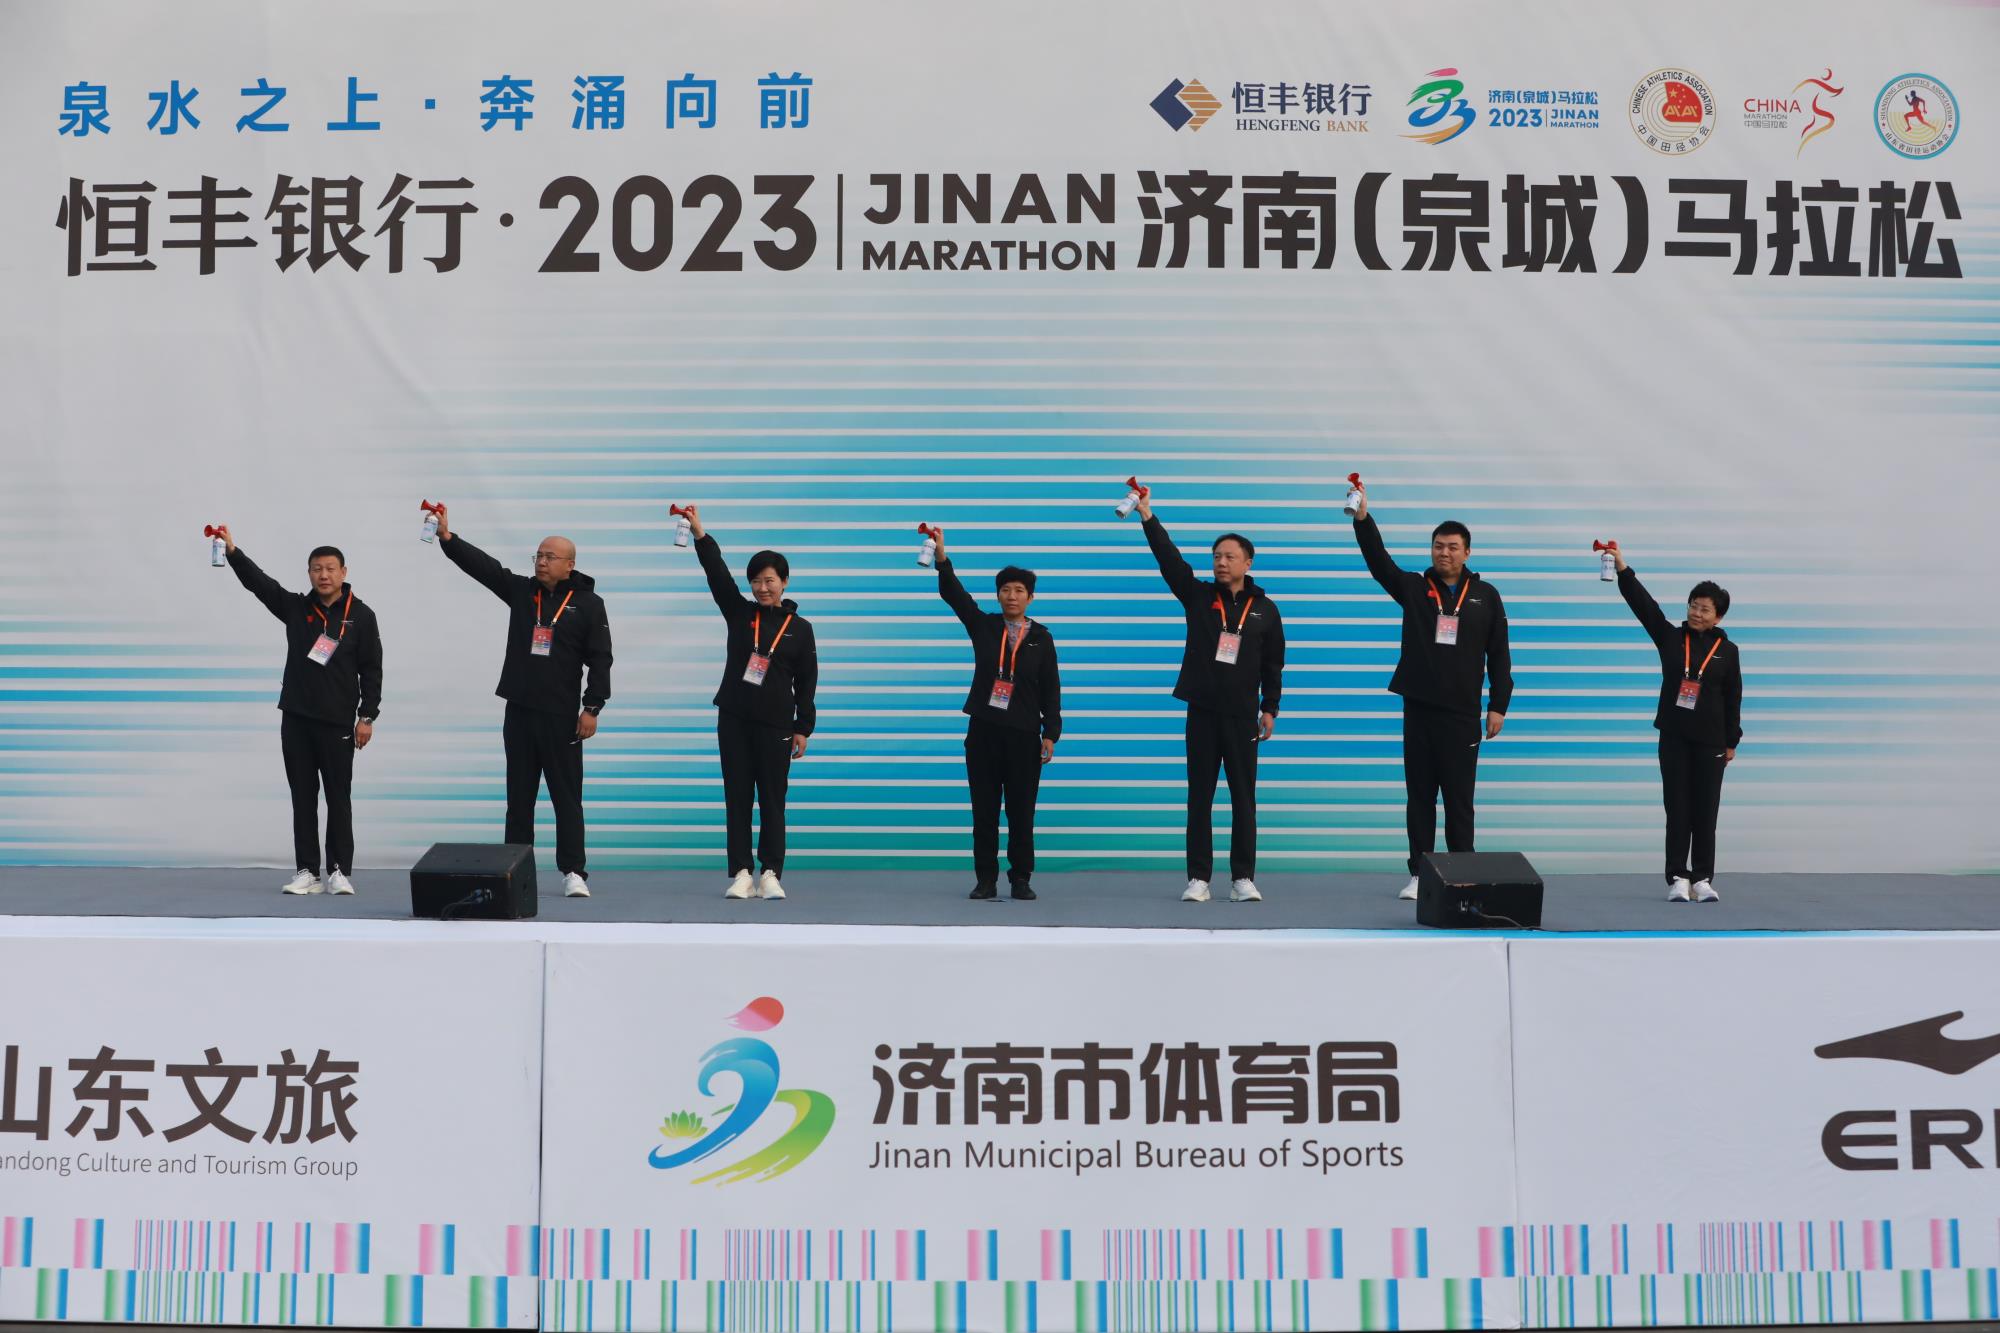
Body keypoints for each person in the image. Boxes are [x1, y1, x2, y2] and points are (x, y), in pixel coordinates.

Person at [432, 504, 610, 899]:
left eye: (550, 557)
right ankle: (515, 871)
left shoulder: (589, 604)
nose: (542, 562)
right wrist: (448, 538)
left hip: (562, 716)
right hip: (520, 711)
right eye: (538, 556)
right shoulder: (523, 592)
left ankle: (573, 871)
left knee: (567, 798)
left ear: (570, 564)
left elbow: (601, 659)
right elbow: (486, 569)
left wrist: (592, 707)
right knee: (519, 799)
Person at [1349, 485, 1513, 901]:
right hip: (1419, 708)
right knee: (1420, 796)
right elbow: (1379, 563)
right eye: (1438, 546)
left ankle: (1463, 873)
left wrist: (1498, 706)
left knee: (1460, 800)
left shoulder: (1486, 596)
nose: (1444, 553)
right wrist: (1363, 519)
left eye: (1453, 547)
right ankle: (1420, 874)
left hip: (1463, 713)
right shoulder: (1413, 587)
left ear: (1467, 552)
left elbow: (1499, 654)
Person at [1134, 487, 1284, 903]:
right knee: (1199, 797)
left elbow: (1274, 664)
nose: (1220, 562)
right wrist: (1148, 517)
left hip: (1242, 716)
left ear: (1247, 563)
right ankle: (1198, 878)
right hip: (1202, 711)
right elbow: (1169, 561)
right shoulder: (1198, 597)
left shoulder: (1266, 610)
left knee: (1243, 799)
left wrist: (1270, 708)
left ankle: (1242, 878)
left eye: (1229, 557)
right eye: (1217, 556)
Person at [215, 526, 382, 896]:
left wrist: (367, 716)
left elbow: (372, 669)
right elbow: (259, 584)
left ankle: (338, 871)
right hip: (296, 719)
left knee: (338, 798)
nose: (324, 575)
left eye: (330, 568)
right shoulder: (296, 608)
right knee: (303, 797)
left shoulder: (361, 616)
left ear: (343, 572)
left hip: (338, 722)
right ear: (309, 573)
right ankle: (308, 871)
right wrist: (233, 552)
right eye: (316, 569)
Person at [683, 505, 817, 901]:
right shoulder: (739, 613)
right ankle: (741, 872)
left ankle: (771, 873)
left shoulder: (801, 630)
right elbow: (717, 574)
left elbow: (807, 681)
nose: (762, 588)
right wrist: (700, 534)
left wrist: (803, 727)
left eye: (770, 580)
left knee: (773, 800)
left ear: (785, 582)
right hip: (735, 720)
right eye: (756, 581)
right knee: (738, 797)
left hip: (777, 724)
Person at [929, 526, 1061, 900]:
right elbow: (954, 596)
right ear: (998, 595)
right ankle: (985, 879)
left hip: (1024, 735)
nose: (1011, 596)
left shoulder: (1042, 638)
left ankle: (1021, 878)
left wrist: (1051, 733)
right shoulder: (984, 626)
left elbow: (1051, 689)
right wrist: (942, 558)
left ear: (1030, 597)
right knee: (984, 812)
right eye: (1005, 590)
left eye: (1019, 590)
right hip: (984, 732)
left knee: (1022, 812)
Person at [1610, 546, 1742, 902]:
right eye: (1693, 606)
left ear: (1718, 616)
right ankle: (1678, 877)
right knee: (1678, 808)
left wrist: (1732, 741)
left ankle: (1702, 878)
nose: (1697, 613)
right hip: (1674, 738)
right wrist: (1622, 569)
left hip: (1712, 742)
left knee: (1706, 811)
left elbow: (1734, 698)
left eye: (1705, 609)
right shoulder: (1670, 638)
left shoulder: (1728, 652)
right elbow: (1644, 607)